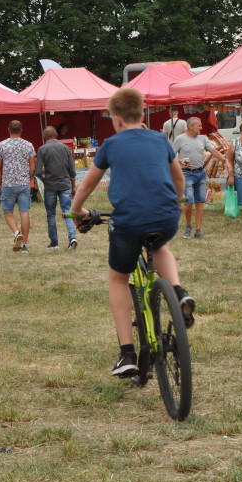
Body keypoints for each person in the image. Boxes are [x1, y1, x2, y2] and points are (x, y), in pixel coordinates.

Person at [70, 88, 195, 378]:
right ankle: (178, 291)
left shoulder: (111, 145)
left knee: (118, 277)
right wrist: (177, 198)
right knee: (160, 247)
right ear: (142, 115)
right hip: (166, 216)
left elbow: (87, 185)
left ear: (115, 119)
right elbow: (178, 176)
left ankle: (127, 352)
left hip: (129, 222)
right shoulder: (159, 139)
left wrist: (78, 211)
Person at [172, 116, 229, 239]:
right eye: (199, 125)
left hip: (201, 174)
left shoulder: (202, 138)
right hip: (186, 174)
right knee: (188, 202)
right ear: (191, 126)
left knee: (199, 202)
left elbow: (214, 152)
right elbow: (170, 154)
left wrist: (225, 160)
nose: (201, 128)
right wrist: (180, 160)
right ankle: (188, 227)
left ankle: (198, 230)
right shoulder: (180, 139)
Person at [0, 120, 37, 253]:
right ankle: (24, 244)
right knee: (24, 212)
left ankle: (16, 232)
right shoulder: (28, 145)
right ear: (21, 130)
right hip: (23, 183)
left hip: (8, 183)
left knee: (8, 212)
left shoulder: (2, 145)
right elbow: (33, 167)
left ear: (8, 130)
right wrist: (27, 179)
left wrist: (0, 182)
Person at [36, 126, 79, 250]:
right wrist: (73, 185)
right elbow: (72, 170)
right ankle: (72, 237)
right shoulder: (65, 148)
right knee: (67, 212)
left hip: (50, 186)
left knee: (51, 214)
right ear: (55, 135)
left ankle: (54, 242)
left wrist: (45, 179)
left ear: (45, 138)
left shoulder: (42, 149)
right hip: (65, 184)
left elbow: (38, 171)